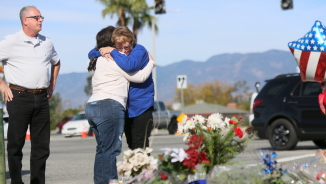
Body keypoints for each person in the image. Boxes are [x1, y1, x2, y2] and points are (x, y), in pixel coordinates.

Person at [85, 26, 155, 184]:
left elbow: (131, 67)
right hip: (114, 106)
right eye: (118, 45)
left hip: (136, 107)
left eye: (126, 45)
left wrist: (150, 62)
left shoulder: (134, 51)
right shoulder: (112, 59)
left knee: (132, 148)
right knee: (112, 150)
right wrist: (105, 50)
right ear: (113, 44)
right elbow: (139, 76)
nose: (124, 48)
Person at [0, 6, 60, 184]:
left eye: (41, 17)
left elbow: (56, 62)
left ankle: (37, 181)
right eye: (36, 17)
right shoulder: (10, 41)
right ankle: (16, 181)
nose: (41, 20)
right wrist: (2, 84)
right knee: (15, 144)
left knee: (42, 147)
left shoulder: (47, 42)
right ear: (25, 20)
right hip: (18, 96)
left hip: (42, 98)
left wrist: (52, 84)